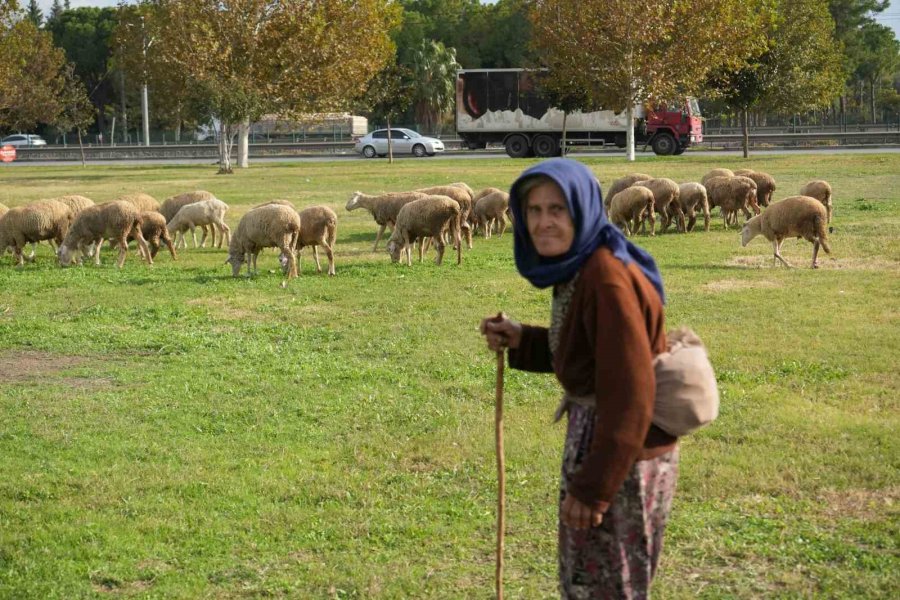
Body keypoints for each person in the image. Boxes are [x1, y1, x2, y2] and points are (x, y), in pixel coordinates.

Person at [480, 158, 678, 599]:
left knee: (608, 587)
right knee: (589, 582)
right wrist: (522, 339)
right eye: (534, 210)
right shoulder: (581, 266)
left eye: (558, 210)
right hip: (606, 442)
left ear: (582, 211)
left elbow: (630, 394)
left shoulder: (606, 279)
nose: (544, 222)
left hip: (622, 454)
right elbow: (591, 355)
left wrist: (592, 490)